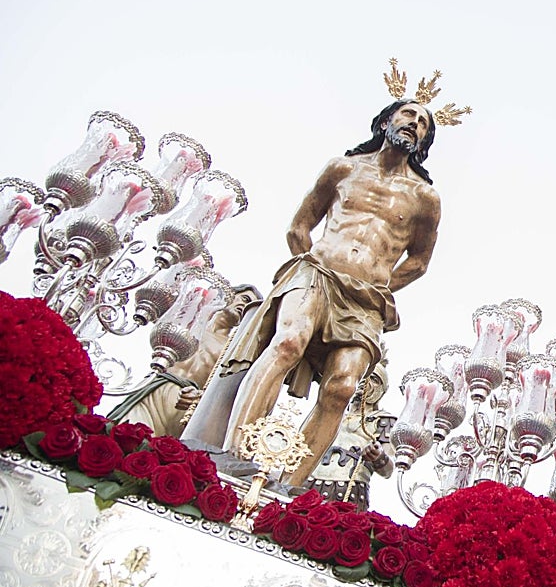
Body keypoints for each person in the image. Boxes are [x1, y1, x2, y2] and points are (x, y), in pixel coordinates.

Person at [221, 96, 443, 485]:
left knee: (342, 386)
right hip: (317, 274)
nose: (415, 123)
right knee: (288, 342)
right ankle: (235, 454)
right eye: (408, 114)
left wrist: (379, 284)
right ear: (385, 122)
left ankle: (288, 485)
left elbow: (419, 261)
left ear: (424, 141)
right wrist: (305, 268)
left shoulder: (425, 198)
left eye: (423, 123)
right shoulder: (343, 169)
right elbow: (299, 227)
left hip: (366, 299)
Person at [109, 284, 262, 437]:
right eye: (245, 299)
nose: (245, 306)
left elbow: (227, 392)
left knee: (163, 449)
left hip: (187, 405)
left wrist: (200, 396)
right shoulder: (188, 324)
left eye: (250, 307)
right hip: (155, 390)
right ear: (229, 295)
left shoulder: (234, 349)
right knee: (128, 436)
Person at [303, 364, 396, 510]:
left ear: (383, 389)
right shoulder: (331, 413)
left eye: (373, 379)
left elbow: (389, 469)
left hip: (349, 489)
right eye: (362, 375)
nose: (365, 381)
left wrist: (378, 456)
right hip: (309, 482)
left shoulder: (384, 421)